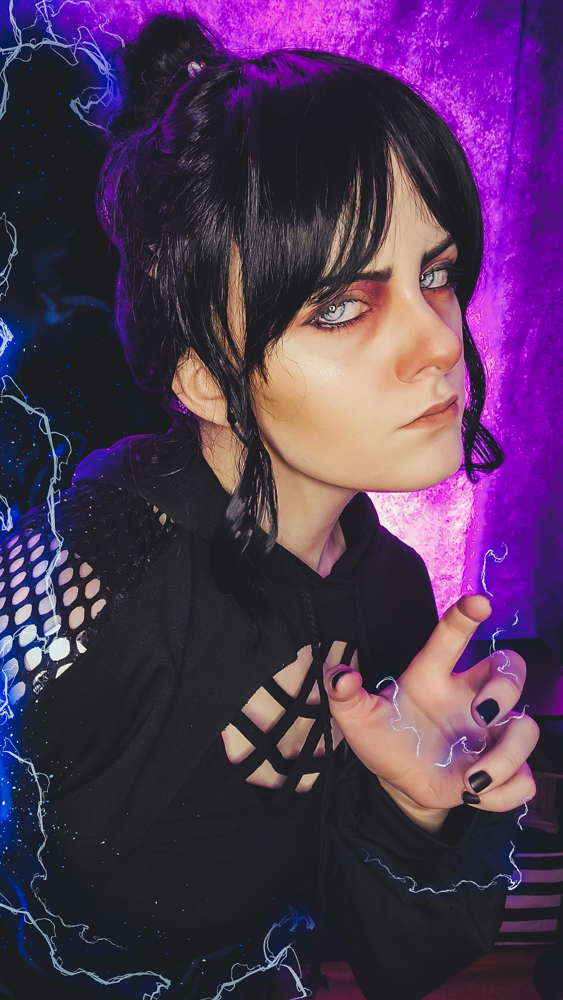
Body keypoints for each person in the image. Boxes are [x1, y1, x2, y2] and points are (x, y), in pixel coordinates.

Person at [0, 12, 540, 1000]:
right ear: (206, 378)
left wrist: (417, 810)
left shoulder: (392, 590)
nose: (438, 342)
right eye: (339, 305)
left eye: (435, 274)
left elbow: (395, 960)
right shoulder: (90, 567)